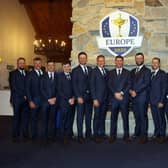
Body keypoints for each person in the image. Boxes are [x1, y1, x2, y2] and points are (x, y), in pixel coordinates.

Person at [108, 56, 131, 143]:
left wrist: (121, 93)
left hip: (124, 99)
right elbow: (109, 85)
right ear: (115, 62)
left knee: (125, 118)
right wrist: (115, 93)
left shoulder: (127, 73)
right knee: (113, 118)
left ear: (122, 62)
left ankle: (126, 136)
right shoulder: (110, 73)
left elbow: (129, 84)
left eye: (120, 61)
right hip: (114, 99)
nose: (118, 62)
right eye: (117, 61)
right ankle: (112, 136)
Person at [130, 52, 151, 144]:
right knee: (137, 116)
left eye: (140, 58)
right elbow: (129, 83)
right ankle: (137, 133)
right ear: (135, 59)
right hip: (134, 98)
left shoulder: (147, 71)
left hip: (142, 98)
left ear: (143, 59)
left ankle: (144, 135)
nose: (138, 60)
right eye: (137, 58)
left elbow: (146, 83)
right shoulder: (132, 71)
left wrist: (136, 91)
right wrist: (130, 90)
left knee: (143, 116)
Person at [72, 52, 92, 144]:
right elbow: (74, 85)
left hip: (89, 98)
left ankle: (88, 134)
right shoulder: (75, 70)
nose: (83, 59)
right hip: (80, 98)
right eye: (81, 58)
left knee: (88, 116)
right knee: (80, 117)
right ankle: (80, 136)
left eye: (84, 58)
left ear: (86, 59)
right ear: (79, 59)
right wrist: (78, 97)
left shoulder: (90, 69)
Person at [9, 57, 29, 142]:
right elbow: (14, 87)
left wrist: (27, 95)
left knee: (25, 118)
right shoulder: (12, 73)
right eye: (20, 63)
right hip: (17, 99)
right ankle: (15, 135)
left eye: (23, 63)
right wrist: (24, 95)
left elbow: (29, 86)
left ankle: (25, 134)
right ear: (17, 64)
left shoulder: (28, 73)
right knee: (16, 118)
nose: (22, 64)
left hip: (26, 100)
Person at [90, 55, 108, 143]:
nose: (101, 62)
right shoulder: (93, 72)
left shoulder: (106, 71)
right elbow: (92, 86)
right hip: (97, 99)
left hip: (105, 99)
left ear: (104, 62)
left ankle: (102, 133)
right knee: (97, 117)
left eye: (102, 61)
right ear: (97, 62)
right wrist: (94, 99)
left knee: (102, 117)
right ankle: (95, 134)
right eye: (99, 61)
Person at [40, 60, 58, 144]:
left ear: (54, 66)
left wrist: (55, 98)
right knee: (44, 120)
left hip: (55, 102)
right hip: (45, 102)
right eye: (49, 65)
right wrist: (48, 99)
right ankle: (44, 137)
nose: (51, 67)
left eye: (52, 65)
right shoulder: (42, 76)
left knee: (52, 119)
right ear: (47, 66)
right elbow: (41, 89)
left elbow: (60, 89)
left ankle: (52, 136)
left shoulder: (58, 76)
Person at [149, 57, 167, 144]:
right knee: (155, 119)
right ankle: (157, 134)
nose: (154, 64)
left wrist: (161, 101)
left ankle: (163, 135)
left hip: (159, 101)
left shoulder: (163, 74)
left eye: (156, 63)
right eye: (153, 63)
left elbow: (164, 89)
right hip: (152, 101)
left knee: (161, 119)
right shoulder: (151, 74)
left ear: (159, 64)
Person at [26, 57, 43, 142]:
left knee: (42, 119)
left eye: (39, 63)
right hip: (34, 100)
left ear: (41, 64)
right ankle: (33, 136)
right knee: (33, 118)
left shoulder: (43, 73)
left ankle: (40, 135)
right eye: (36, 63)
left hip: (43, 100)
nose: (38, 65)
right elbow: (27, 89)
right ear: (34, 64)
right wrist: (30, 101)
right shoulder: (30, 74)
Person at [58, 61, 75, 144]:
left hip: (72, 102)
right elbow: (59, 91)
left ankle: (68, 135)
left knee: (70, 119)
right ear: (62, 67)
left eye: (68, 66)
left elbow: (75, 88)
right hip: (64, 102)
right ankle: (62, 136)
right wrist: (68, 99)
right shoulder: (59, 77)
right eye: (65, 67)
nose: (67, 68)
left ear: (70, 67)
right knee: (63, 120)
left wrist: (73, 98)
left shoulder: (72, 75)